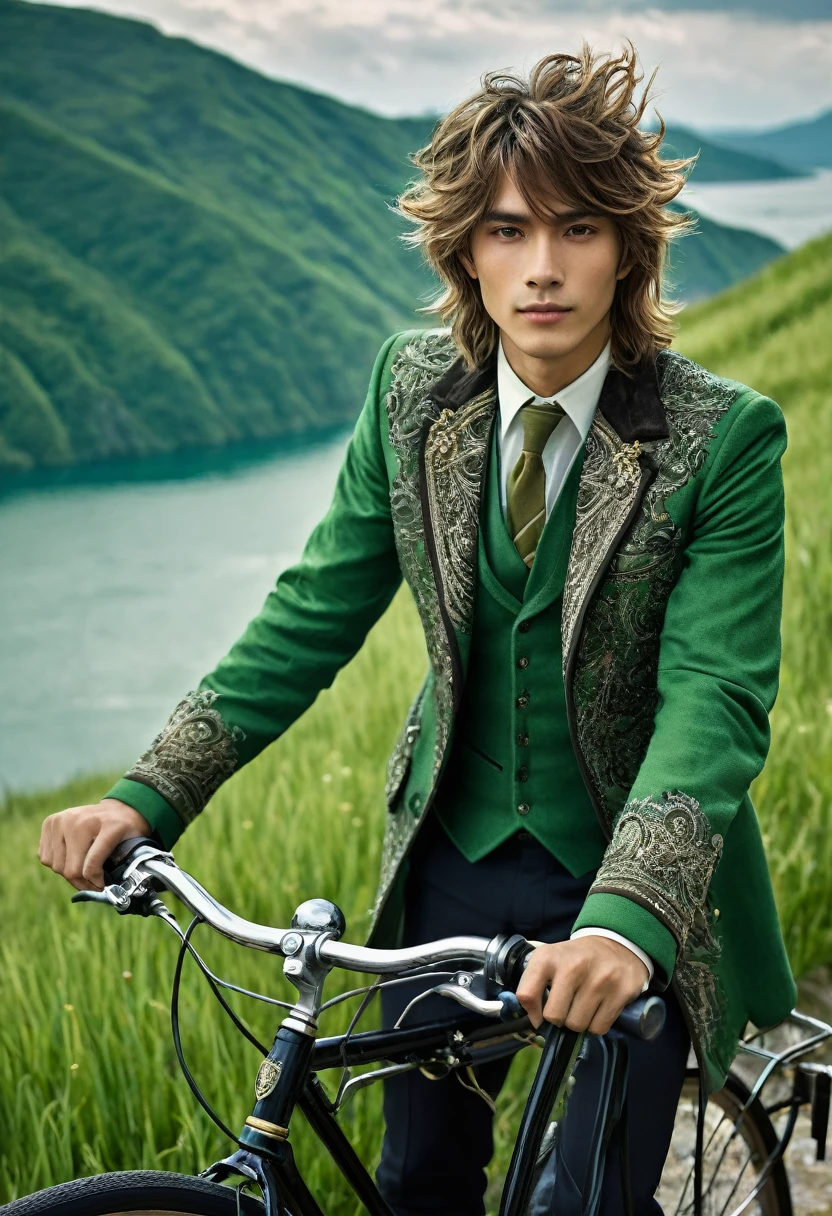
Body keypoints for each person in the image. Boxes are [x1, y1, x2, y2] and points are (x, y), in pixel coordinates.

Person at [39, 41, 797, 1215]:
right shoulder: (410, 393)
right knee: (417, 1180)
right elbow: (314, 608)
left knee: (581, 1202)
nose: (542, 267)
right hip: (447, 863)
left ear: (628, 249)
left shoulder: (721, 438)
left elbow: (714, 698)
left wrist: (628, 922)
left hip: (625, 871)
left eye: (579, 228)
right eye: (507, 230)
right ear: (464, 249)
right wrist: (147, 796)